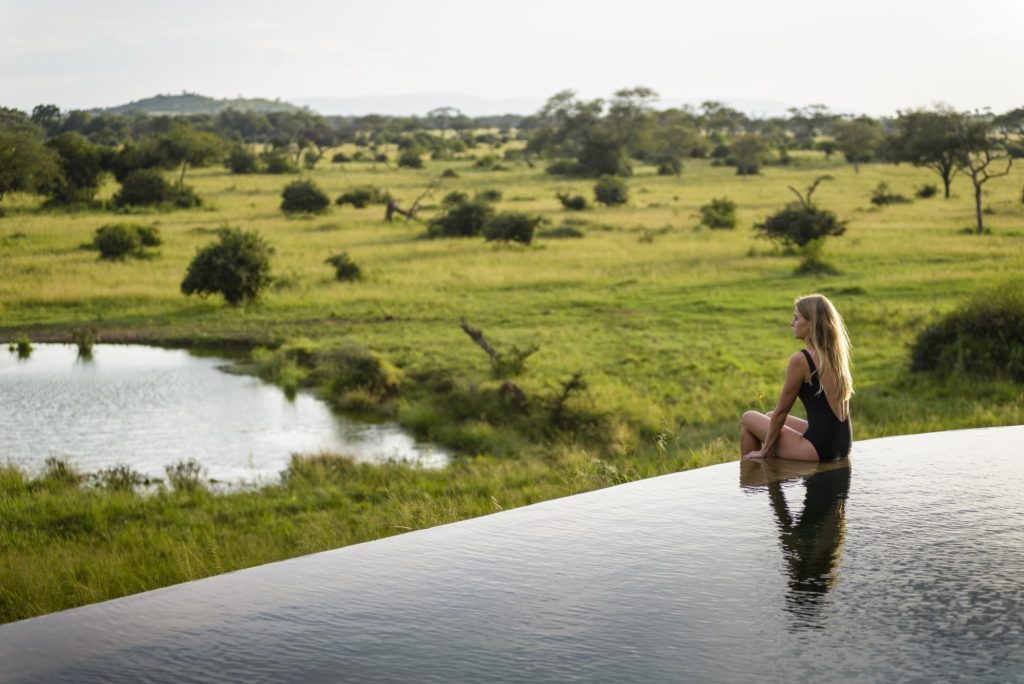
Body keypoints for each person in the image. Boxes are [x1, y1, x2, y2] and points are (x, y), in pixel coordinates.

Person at [740, 294, 853, 461]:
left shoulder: (801, 360)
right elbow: (776, 416)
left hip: (819, 449)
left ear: (810, 324)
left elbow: (782, 411)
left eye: (796, 318)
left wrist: (764, 450)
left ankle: (753, 477)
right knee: (769, 416)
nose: (791, 323)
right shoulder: (835, 355)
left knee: (748, 418)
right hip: (842, 444)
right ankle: (763, 470)